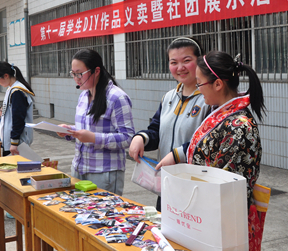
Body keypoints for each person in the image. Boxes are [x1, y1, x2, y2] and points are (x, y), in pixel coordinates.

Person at [164, 51, 265, 251]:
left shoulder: (239, 126)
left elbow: (226, 188)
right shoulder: (222, 114)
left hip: (223, 222)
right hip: (208, 216)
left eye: (200, 84)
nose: (199, 91)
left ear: (218, 84)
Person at [129, 37, 211, 210]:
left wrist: (177, 155)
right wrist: (141, 138)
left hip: (195, 189)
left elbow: (208, 141)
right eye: (174, 62)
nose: (180, 68)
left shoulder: (209, 99)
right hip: (165, 185)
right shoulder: (168, 97)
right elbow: (156, 131)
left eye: (187, 61)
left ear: (200, 60)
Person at [57, 49, 134, 196]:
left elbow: (128, 138)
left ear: (96, 71)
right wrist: (69, 130)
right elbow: (85, 129)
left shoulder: (116, 98)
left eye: (79, 73)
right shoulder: (84, 96)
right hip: (80, 169)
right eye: (73, 73)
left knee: (103, 217)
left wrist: (93, 138)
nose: (76, 78)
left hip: (104, 173)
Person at [0, 61, 35, 156]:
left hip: (16, 143)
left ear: (6, 76)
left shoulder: (17, 91)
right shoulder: (11, 89)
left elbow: (18, 119)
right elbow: (4, 115)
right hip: (9, 141)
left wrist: (14, 142)